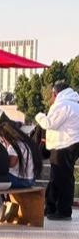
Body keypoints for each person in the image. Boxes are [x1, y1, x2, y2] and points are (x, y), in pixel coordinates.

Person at [36, 80, 79, 221]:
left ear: (56, 93)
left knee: (62, 179)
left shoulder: (62, 105)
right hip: (72, 144)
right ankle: (51, 208)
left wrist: (40, 115)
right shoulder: (74, 104)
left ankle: (63, 211)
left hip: (63, 145)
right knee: (62, 178)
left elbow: (49, 124)